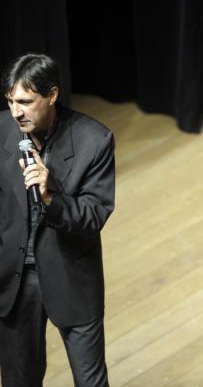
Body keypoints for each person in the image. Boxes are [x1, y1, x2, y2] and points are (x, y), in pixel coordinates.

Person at [0, 53, 115, 386]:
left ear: (51, 95)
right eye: (10, 102)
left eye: (25, 102)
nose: (15, 112)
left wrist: (50, 197)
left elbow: (94, 215)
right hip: (16, 282)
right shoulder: (2, 132)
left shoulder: (95, 140)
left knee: (90, 381)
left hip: (71, 276)